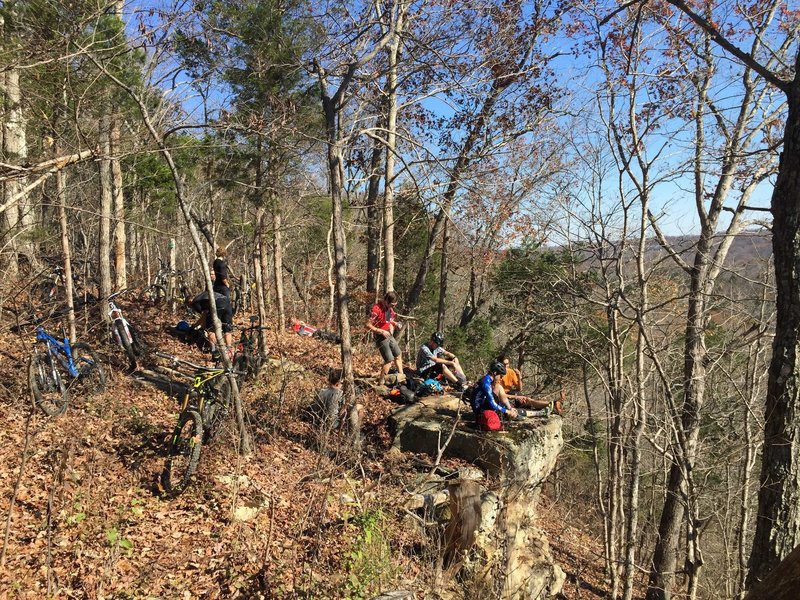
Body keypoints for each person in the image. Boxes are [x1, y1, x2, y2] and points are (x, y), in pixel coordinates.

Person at [496, 353, 563, 415]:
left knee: (527, 400)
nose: (506, 366)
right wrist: (516, 397)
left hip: (511, 394)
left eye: (507, 364)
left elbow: (519, 388)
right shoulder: (496, 375)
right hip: (502, 398)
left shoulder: (510, 372)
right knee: (515, 407)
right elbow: (500, 395)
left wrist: (519, 376)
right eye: (504, 364)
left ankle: (552, 404)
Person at [367, 291, 404, 384]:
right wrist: (380, 331)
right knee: (389, 359)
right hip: (380, 337)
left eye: (394, 305)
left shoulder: (390, 309)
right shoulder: (376, 309)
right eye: (392, 304)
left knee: (398, 354)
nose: (393, 307)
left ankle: (402, 377)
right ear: (386, 300)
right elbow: (367, 325)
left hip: (389, 335)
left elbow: (389, 320)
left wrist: (395, 324)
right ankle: (381, 381)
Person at [471, 361, 518, 431]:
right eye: (501, 376)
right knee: (512, 414)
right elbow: (492, 404)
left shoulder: (486, 379)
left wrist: (508, 409)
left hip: (481, 406)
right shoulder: (486, 383)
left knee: (498, 387)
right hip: (480, 410)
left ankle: (510, 409)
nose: (501, 378)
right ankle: (513, 412)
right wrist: (507, 411)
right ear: (495, 373)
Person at [187, 290, 234, 355]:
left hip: (217, 303)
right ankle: (229, 350)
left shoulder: (195, 302)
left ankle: (214, 351)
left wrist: (197, 326)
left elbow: (204, 316)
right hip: (227, 302)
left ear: (189, 302)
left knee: (210, 329)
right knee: (227, 328)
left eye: (189, 306)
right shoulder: (202, 296)